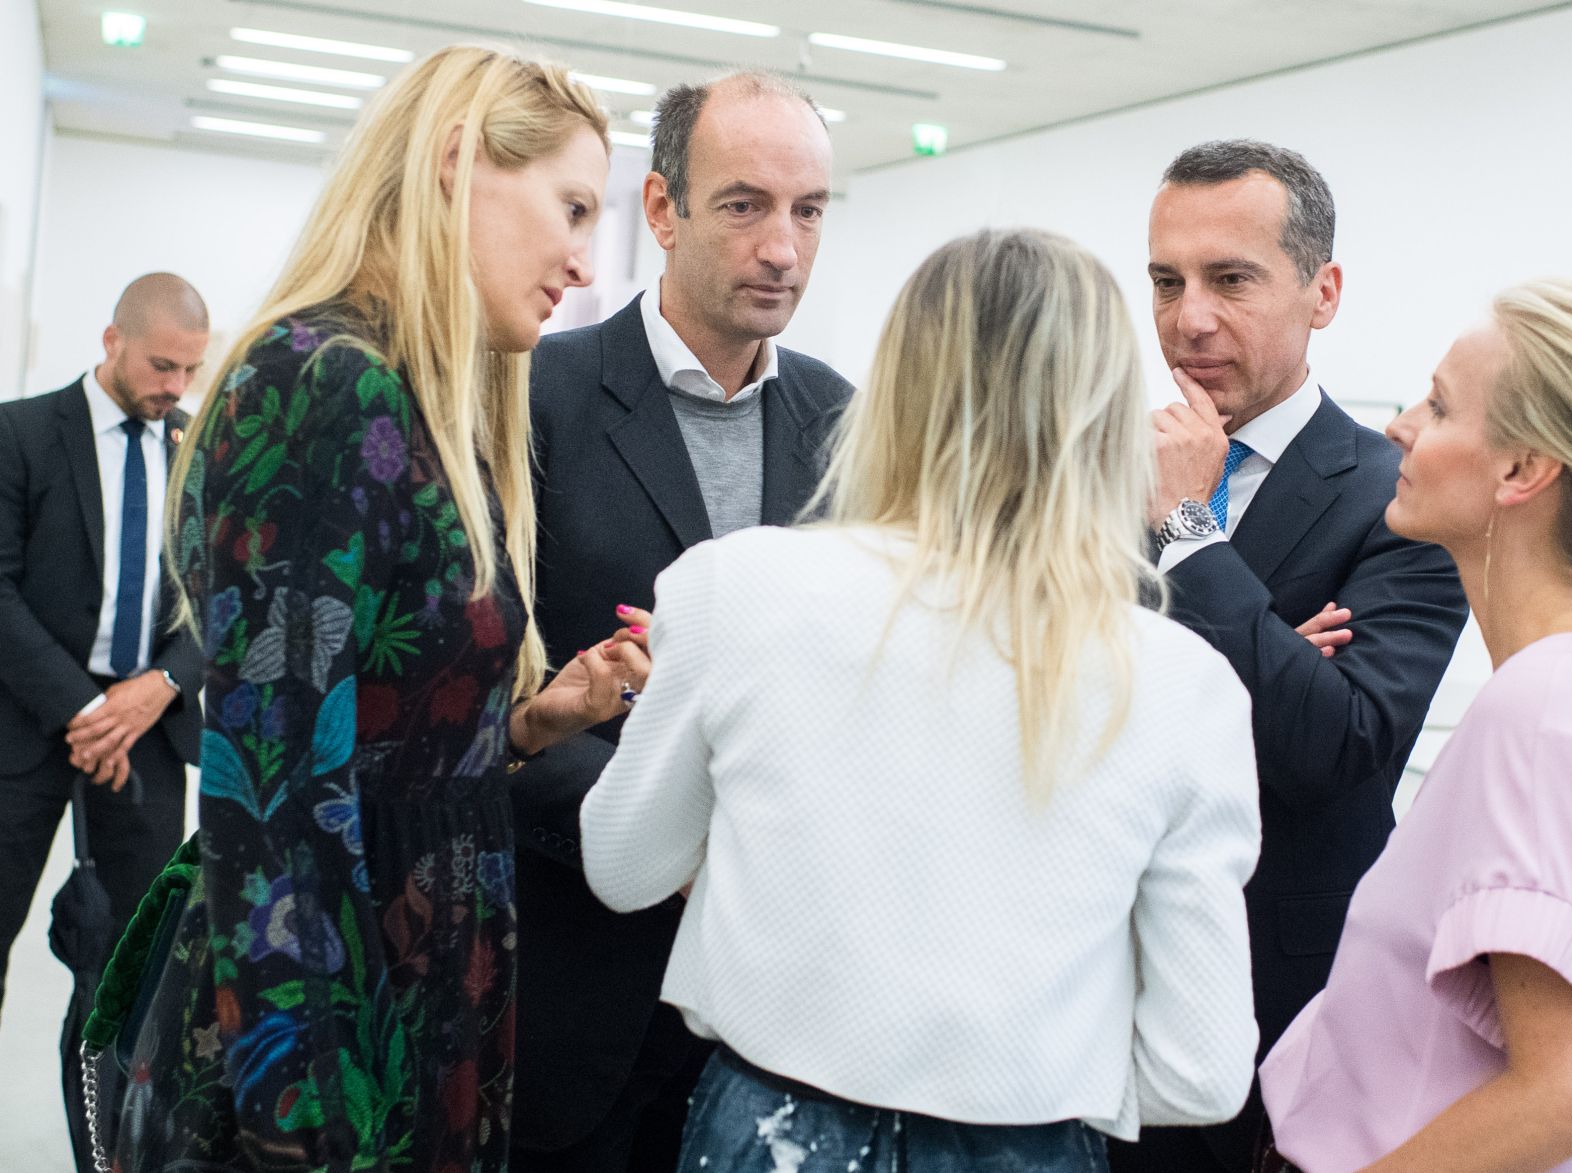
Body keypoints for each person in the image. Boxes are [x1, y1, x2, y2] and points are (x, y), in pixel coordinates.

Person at [581, 227, 1263, 1172]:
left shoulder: (734, 588)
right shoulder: (1186, 686)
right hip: (1032, 1141)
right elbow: (1203, 1071)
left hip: (768, 1131)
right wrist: (1022, 1080)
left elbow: (622, 865)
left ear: (896, 388)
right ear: (1108, 414)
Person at [106, 46, 618, 1172]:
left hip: (416, 990)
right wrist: (307, 1127)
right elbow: (269, 803)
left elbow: (394, 735)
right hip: (320, 1035)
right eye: (571, 208)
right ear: (454, 164)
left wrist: (530, 719)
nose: (584, 263)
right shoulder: (318, 382)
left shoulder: (424, 402)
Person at [1257, 278, 1572, 1172]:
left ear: (1521, 470)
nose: (1399, 426)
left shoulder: (1548, 709)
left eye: (1437, 405)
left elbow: (1567, 1094)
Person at [505, 70, 852, 1173]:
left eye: (807, 211)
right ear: (660, 210)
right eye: (745, 204)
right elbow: (480, 697)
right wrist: (667, 845)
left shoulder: (845, 423)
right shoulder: (532, 396)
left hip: (769, 1009)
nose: (782, 248)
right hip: (571, 974)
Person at [1113, 139, 1470, 1173]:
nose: (1188, 319)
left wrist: (1187, 534)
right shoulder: (1097, 473)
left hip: (1277, 997)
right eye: (1165, 281)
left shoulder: (1395, 495)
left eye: (1230, 280)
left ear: (1322, 293)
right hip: (1082, 975)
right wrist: (1268, 651)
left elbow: (1336, 740)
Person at [0, 272, 207, 1166]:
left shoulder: (198, 450)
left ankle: (106, 1148)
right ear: (112, 340)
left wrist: (158, 684)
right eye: (162, 365)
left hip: (149, 733)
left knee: (130, 965)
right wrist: (88, 709)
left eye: (189, 371)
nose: (175, 387)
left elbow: (224, 595)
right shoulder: (19, 435)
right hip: (27, 722)